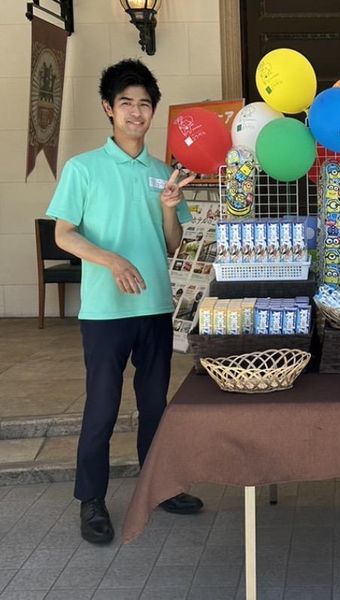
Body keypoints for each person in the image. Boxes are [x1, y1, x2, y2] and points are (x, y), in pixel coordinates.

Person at [46, 59, 204, 544]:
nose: (136, 113)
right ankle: (91, 500)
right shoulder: (83, 168)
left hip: (155, 307)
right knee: (103, 408)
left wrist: (171, 209)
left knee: (156, 404)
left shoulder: (163, 175)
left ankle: (159, 488)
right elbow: (64, 234)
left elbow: (174, 245)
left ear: (152, 113)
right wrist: (110, 260)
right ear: (108, 110)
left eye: (145, 105)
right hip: (105, 313)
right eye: (126, 104)